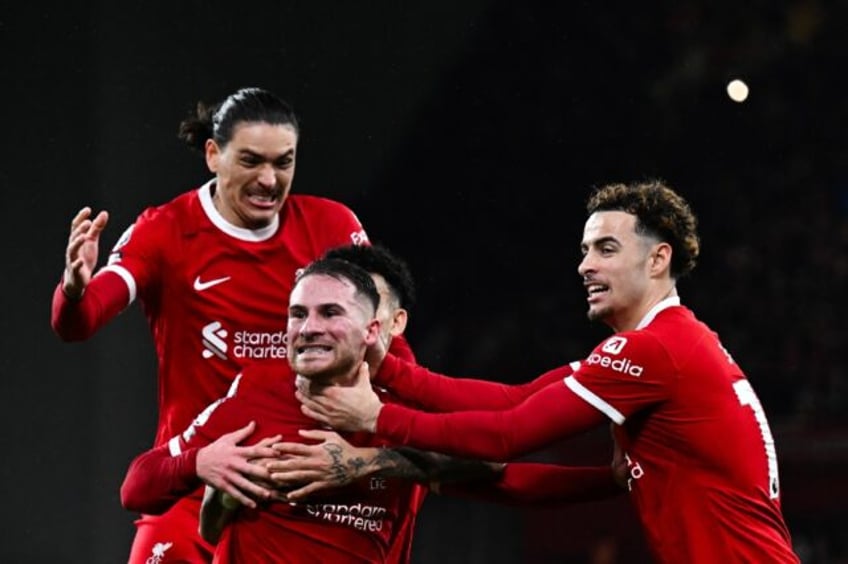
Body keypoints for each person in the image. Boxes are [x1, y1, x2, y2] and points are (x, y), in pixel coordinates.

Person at [296, 180, 801, 563]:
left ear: (658, 260)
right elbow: (513, 401)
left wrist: (379, 417)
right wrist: (393, 372)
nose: (585, 266)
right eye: (585, 250)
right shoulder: (664, 346)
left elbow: (507, 435)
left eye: (606, 249)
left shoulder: (654, 352)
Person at [51, 87, 372, 563]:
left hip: (303, 489)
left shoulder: (332, 226)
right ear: (212, 155)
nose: (269, 180)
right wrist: (74, 289)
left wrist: (373, 419)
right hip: (197, 475)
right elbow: (79, 322)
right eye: (250, 161)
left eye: (284, 162)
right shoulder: (166, 230)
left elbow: (383, 338)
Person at [120, 257, 504, 563]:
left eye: (330, 312)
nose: (308, 328)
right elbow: (136, 487)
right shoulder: (255, 398)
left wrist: (366, 462)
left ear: (375, 328)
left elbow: (492, 463)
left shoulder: (402, 408)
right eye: (298, 314)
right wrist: (201, 462)